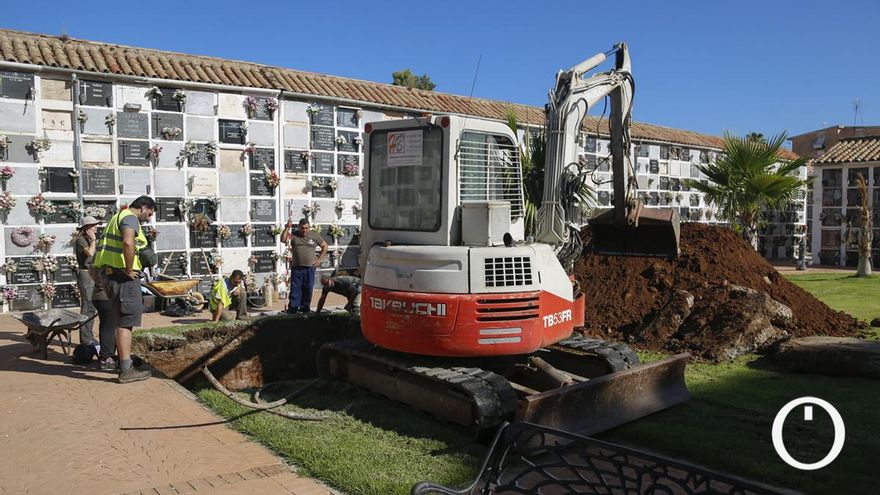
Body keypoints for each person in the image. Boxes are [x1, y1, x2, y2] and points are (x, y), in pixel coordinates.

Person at [93, 196, 156, 384]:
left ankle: (124, 362)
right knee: (126, 322)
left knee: (121, 319)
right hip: (123, 277)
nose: (149, 218)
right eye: (150, 213)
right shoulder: (130, 218)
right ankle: (126, 370)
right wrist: (129, 269)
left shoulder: (117, 217)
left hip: (111, 275)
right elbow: (128, 242)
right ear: (143, 207)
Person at [281, 218, 328, 313]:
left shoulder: (314, 236)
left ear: (309, 227)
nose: (304, 230)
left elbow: (325, 246)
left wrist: (319, 260)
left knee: (308, 288)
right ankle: (293, 308)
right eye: (302, 228)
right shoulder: (294, 234)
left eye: (306, 228)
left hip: (310, 267)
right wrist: (287, 227)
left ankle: (305, 307)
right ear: (299, 227)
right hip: (297, 267)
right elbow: (283, 239)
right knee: (295, 288)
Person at [72, 216, 100, 346]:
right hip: (85, 274)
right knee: (87, 306)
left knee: (91, 307)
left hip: (92, 273)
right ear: (87, 227)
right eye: (94, 225)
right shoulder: (81, 240)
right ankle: (85, 339)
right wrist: (94, 240)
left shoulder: (87, 238)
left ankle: (88, 336)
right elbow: (90, 253)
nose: (96, 227)